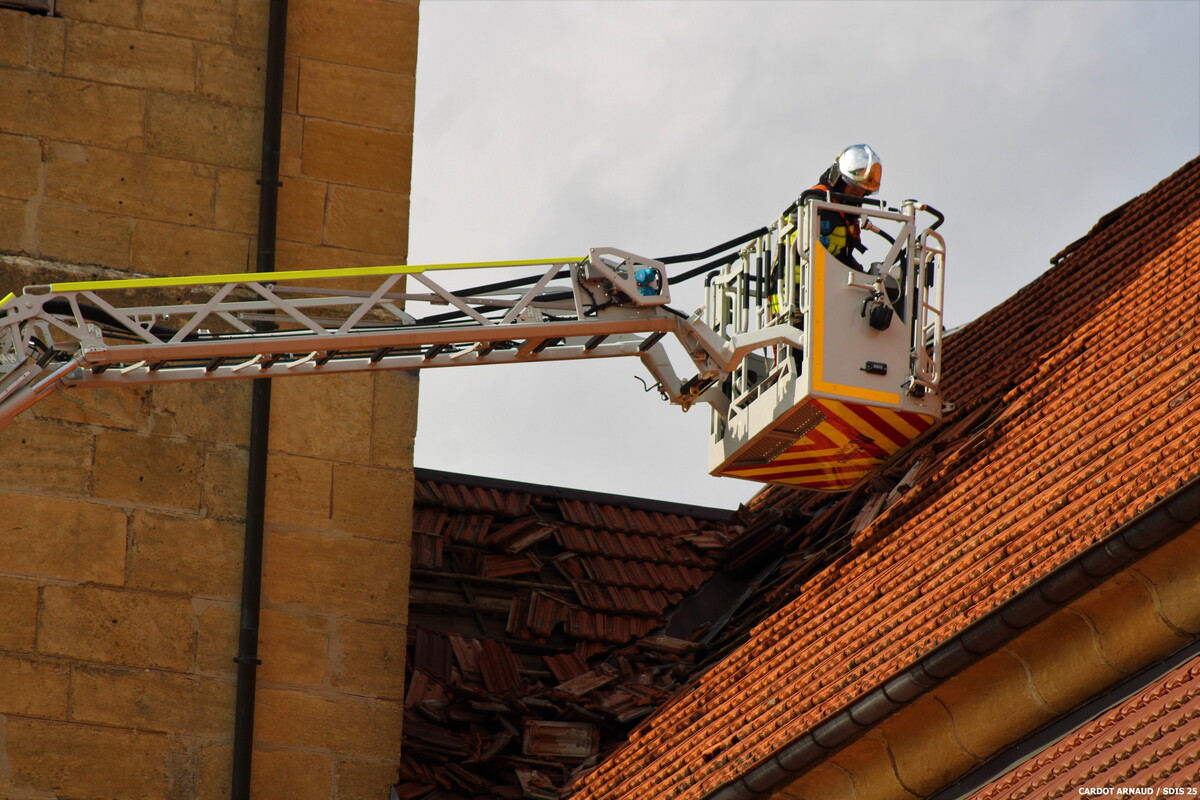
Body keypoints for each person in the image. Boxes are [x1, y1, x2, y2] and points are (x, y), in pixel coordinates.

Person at [797, 143, 882, 269]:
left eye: (863, 189)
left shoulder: (847, 214)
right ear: (840, 180)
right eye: (854, 185)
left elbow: (840, 255)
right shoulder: (817, 203)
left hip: (825, 279)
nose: (858, 192)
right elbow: (813, 250)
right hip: (797, 281)